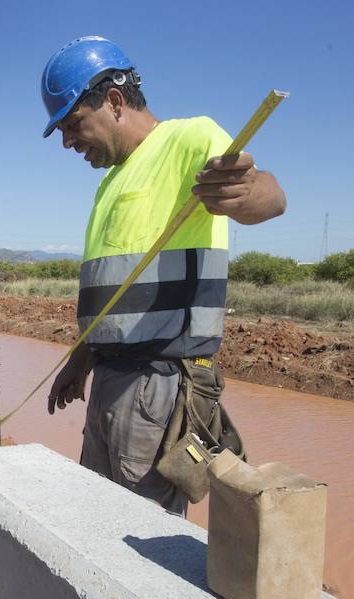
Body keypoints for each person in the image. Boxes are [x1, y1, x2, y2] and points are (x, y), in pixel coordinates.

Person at [41, 36, 286, 514]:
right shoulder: (111, 180)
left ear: (113, 101)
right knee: (96, 519)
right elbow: (116, 296)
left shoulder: (187, 139)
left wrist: (246, 190)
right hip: (111, 378)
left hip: (156, 385)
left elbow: (270, 196)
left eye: (73, 124)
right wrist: (80, 359)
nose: (68, 141)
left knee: (138, 535)